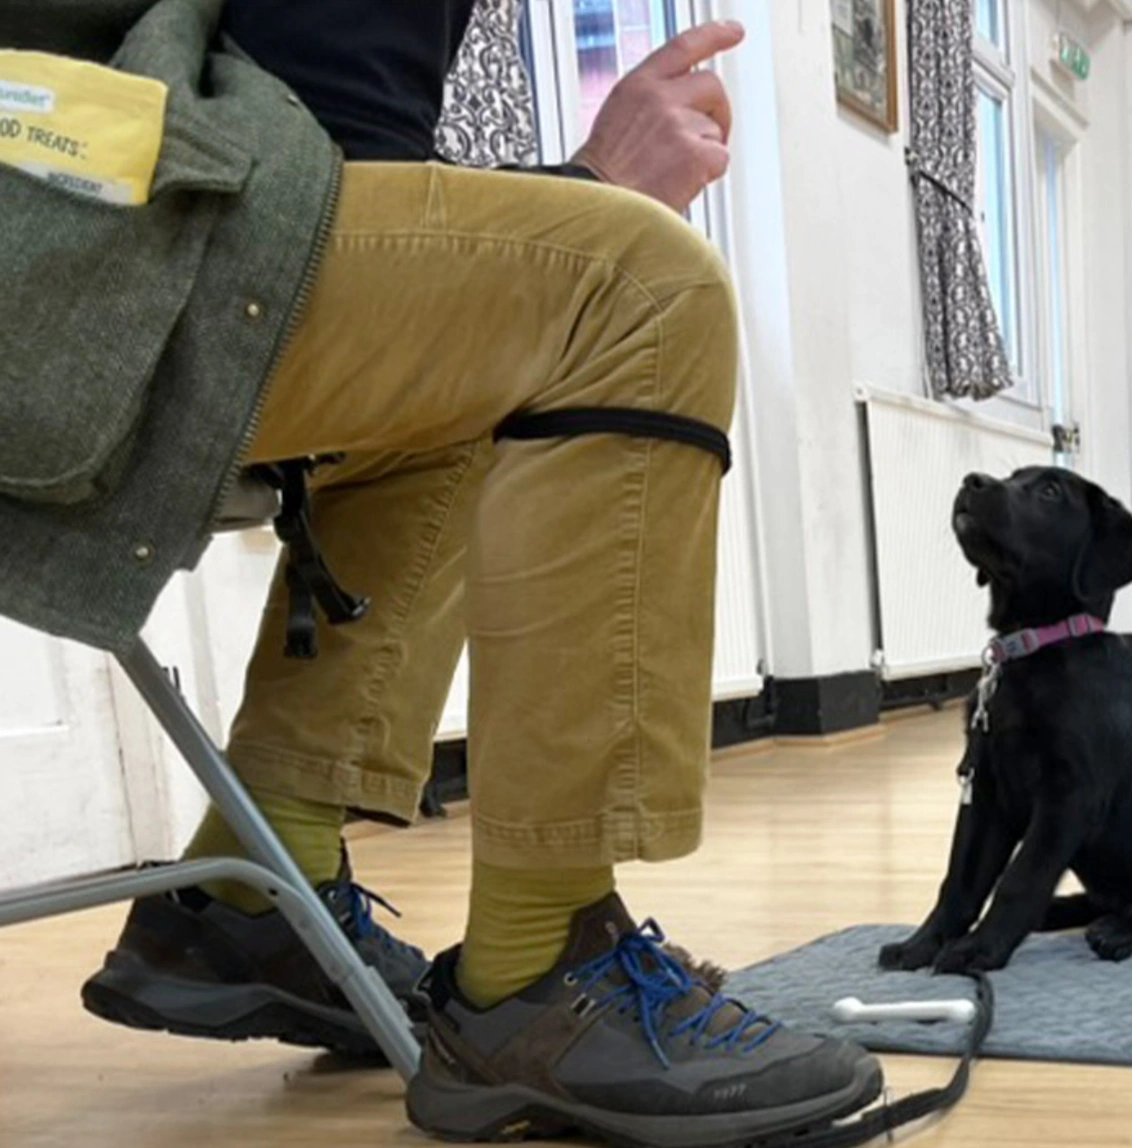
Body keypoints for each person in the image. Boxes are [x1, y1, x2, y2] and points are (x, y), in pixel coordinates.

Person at [0, 2, 883, 1145]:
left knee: (481, 368)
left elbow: (319, 163)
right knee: (643, 289)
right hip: (58, 217)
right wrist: (593, 180)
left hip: (73, 211)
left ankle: (252, 883)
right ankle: (538, 969)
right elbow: (320, 148)